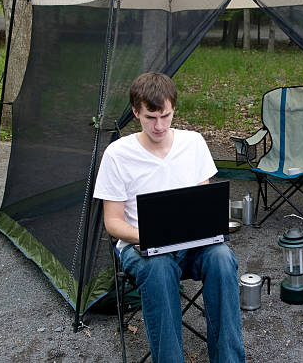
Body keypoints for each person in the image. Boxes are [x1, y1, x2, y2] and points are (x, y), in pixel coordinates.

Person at [93, 72, 245, 363]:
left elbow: (203, 205)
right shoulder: (118, 154)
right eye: (151, 117)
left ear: (173, 109)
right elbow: (112, 223)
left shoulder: (193, 143)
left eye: (166, 116)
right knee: (160, 269)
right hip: (143, 246)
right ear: (136, 112)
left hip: (192, 244)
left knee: (222, 259)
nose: (159, 125)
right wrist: (150, 237)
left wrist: (207, 227)